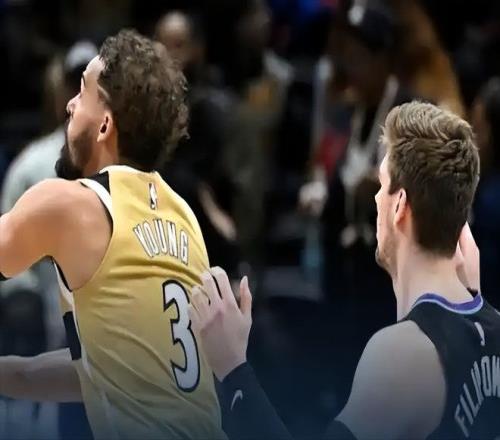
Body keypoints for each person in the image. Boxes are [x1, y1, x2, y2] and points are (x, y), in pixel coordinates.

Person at [189, 101, 500, 439]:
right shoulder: (490, 326)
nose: (377, 199)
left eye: (382, 185)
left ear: (399, 205)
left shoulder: (403, 355)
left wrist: (232, 367)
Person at [0, 29, 223, 440]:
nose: (69, 104)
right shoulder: (183, 216)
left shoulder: (69, 204)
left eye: (82, 92)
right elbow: (117, 370)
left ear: (105, 125)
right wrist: (14, 374)